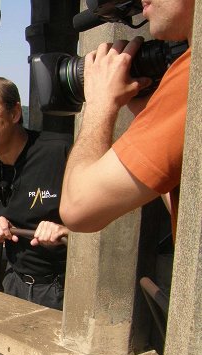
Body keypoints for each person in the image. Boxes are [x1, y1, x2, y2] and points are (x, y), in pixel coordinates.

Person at [60, 0, 193, 238]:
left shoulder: (192, 76)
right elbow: (189, 219)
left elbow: (77, 209)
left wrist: (100, 103)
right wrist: (147, 113)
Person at [0, 76, 71, 309]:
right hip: (12, 284)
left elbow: (107, 223)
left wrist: (66, 231)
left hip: (62, 290)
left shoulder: (60, 153)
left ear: (14, 114)